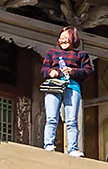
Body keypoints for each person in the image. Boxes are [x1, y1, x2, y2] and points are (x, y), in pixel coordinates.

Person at [39, 27, 93, 155]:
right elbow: (44, 69)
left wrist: (72, 71)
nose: (62, 41)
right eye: (61, 38)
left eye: (66, 38)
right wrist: (51, 72)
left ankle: (72, 149)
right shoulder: (51, 53)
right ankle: (48, 144)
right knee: (51, 118)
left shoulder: (81, 55)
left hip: (72, 87)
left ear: (73, 39)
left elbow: (88, 72)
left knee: (71, 120)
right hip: (54, 86)